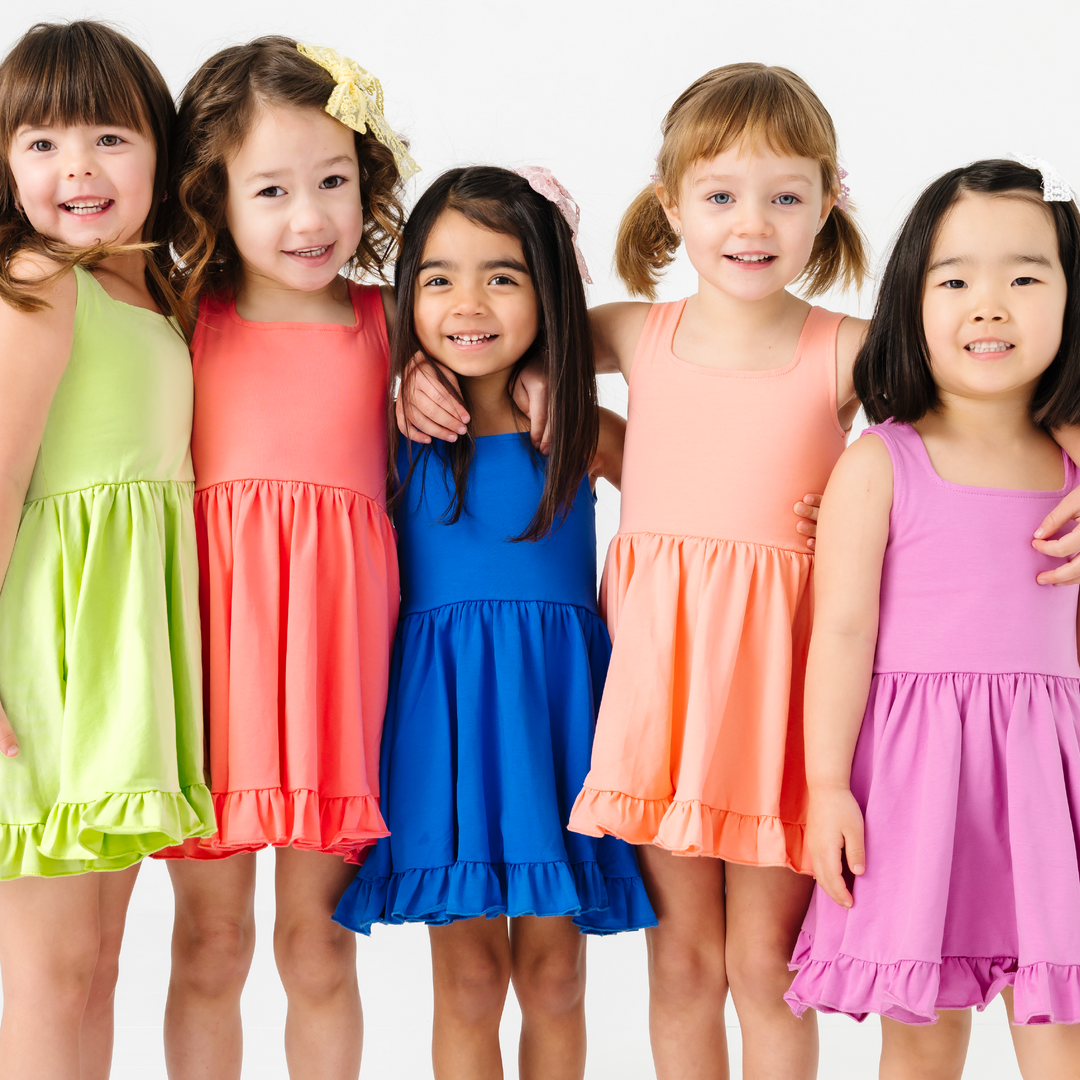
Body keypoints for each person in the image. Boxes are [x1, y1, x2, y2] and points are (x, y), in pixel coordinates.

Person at [334, 165, 656, 1080]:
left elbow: (693, 505)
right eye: (438, 278)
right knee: (470, 981)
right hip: (445, 720)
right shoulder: (394, 428)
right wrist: (399, 378)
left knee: (556, 978)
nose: (467, 303)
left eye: (502, 276)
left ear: (548, 290)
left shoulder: (579, 425)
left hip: (559, 712)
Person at [786, 158, 1080, 1080]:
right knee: (921, 1031)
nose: (989, 306)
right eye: (954, 281)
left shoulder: (1075, 470)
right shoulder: (882, 462)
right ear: (911, 301)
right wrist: (826, 785)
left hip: (1048, 781)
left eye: (1025, 278)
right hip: (916, 785)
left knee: (1063, 1027)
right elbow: (841, 633)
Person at [156, 38, 414, 1080]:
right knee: (211, 945)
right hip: (215, 670)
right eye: (271, 190)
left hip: (336, 677)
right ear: (212, 195)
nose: (310, 217)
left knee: (318, 947)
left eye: (333, 181)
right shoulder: (180, 318)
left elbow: (521, 364)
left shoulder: (392, 324)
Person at [0, 20, 215, 1080]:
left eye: (108, 138)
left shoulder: (154, 295)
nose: (76, 168)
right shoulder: (36, 281)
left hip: (124, 662)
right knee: (50, 971)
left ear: (161, 157)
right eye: (41, 143)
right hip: (52, 656)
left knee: (96, 965)